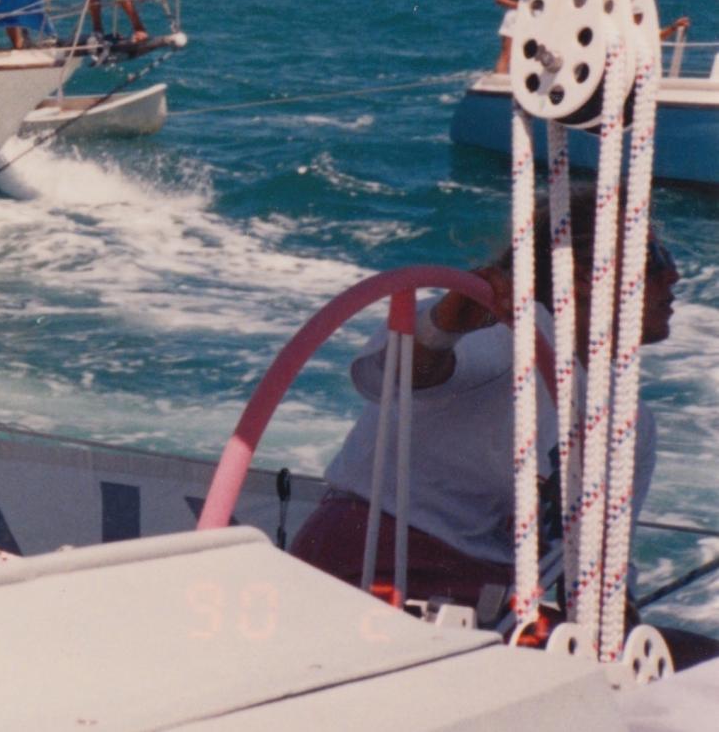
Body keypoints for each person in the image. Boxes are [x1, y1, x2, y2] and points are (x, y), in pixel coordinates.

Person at [289, 204, 680, 631]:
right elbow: (403, 375)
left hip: (488, 610)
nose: (673, 277)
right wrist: (447, 324)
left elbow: (600, 570)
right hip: (370, 570)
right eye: (656, 261)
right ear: (588, 275)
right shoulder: (511, 334)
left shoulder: (632, 425)